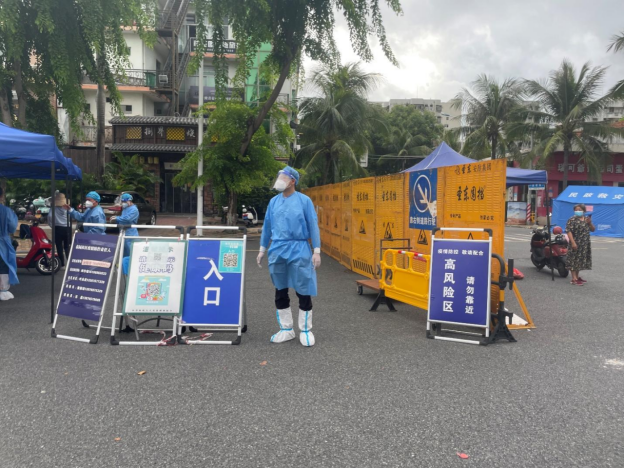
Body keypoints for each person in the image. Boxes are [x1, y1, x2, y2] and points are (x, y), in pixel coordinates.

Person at [257, 166, 322, 347]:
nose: (279, 180)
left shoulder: (304, 201)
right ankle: (286, 329)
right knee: (280, 288)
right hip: (278, 248)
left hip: (299, 247)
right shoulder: (273, 202)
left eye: (283, 177)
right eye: (279, 176)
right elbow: (267, 226)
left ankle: (305, 329)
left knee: (303, 288)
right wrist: (262, 248)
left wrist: (316, 250)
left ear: (293, 181)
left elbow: (313, 225)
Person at [566, 203, 595, 286]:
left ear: (584, 211)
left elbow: (593, 229)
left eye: (579, 210)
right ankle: (574, 279)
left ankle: (577, 276)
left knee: (579, 260)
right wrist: (573, 242)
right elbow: (569, 231)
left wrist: (590, 223)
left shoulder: (586, 219)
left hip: (584, 244)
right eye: (576, 210)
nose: (578, 211)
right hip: (575, 242)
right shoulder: (572, 220)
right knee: (573, 260)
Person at [0, 186, 19, 301]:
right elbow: (12, 227)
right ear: (1, 196)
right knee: (3, 266)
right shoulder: (6, 211)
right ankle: (2, 291)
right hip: (3, 243)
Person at [52, 192, 71, 268]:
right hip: (67, 228)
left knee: (59, 246)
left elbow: (50, 217)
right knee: (67, 246)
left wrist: (52, 225)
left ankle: (61, 262)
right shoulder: (67, 208)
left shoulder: (53, 209)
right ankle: (69, 262)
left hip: (58, 228)